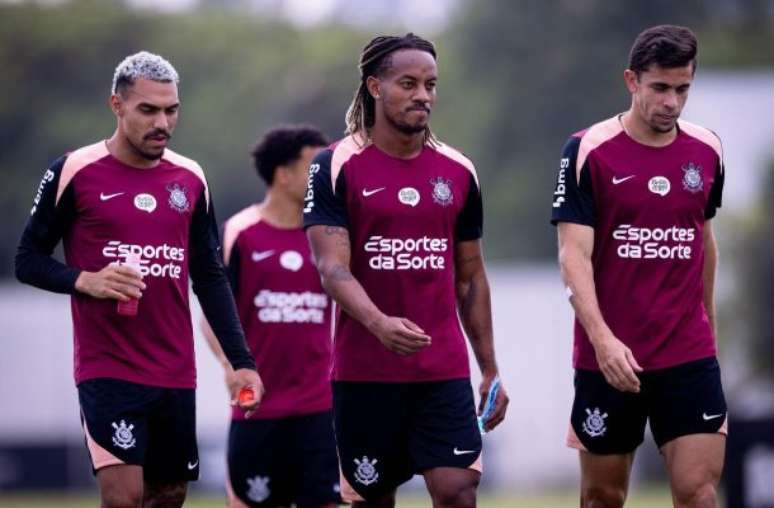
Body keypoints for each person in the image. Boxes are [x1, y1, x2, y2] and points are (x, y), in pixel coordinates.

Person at [15, 51, 262, 508]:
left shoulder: (190, 178)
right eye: (148, 110)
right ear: (117, 105)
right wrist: (83, 280)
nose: (162, 122)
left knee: (168, 495)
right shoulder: (73, 171)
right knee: (123, 497)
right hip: (107, 367)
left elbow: (209, 275)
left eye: (171, 110)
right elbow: (27, 260)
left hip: (174, 369)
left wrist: (241, 359)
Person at [303, 33, 509, 508]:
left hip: (442, 373)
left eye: (431, 85)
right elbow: (331, 268)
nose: (423, 95)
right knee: (372, 500)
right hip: (364, 376)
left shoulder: (459, 171)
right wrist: (379, 325)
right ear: (375, 87)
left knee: (459, 490)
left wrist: (490, 369)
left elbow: (471, 276)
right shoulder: (333, 165)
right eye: (409, 83)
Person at [551, 25, 727, 507]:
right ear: (632, 80)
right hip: (609, 359)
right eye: (660, 88)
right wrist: (603, 341)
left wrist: (707, 325)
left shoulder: (707, 150)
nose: (672, 102)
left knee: (700, 493)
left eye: (683, 89)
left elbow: (702, 237)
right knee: (602, 498)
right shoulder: (588, 150)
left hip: (688, 353)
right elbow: (573, 256)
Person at [202, 125, 342, 508]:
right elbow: (212, 315)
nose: (322, 177)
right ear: (283, 174)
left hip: (320, 408)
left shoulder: (329, 236)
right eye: (314, 168)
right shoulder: (239, 233)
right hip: (257, 406)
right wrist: (230, 365)